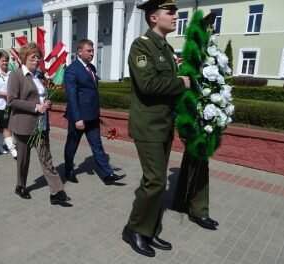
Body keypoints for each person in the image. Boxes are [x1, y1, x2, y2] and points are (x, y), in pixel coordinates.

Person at [122, 0, 191, 257]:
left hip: (164, 125)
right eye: (169, 12)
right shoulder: (141, 45)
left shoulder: (166, 47)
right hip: (148, 126)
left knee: (154, 181)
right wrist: (181, 83)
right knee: (156, 181)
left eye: (175, 12)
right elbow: (148, 85)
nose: (175, 15)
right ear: (153, 17)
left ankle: (148, 230)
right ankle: (134, 230)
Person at [7, 42, 71, 206]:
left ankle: (56, 192)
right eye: (33, 57)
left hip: (41, 124)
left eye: (38, 57)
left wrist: (47, 103)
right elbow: (12, 101)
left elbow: (42, 97)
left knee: (46, 158)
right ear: (24, 58)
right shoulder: (16, 75)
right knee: (23, 159)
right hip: (24, 125)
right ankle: (20, 186)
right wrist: (36, 107)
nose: (37, 60)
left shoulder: (39, 76)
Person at [172, 12, 220, 231]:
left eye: (212, 28)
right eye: (208, 28)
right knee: (200, 165)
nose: (211, 32)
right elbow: (184, 92)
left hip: (206, 120)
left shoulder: (212, 58)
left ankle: (181, 201)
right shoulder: (193, 59)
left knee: (193, 162)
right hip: (195, 121)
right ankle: (199, 211)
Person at [63, 39, 126, 185]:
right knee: (72, 145)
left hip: (92, 116)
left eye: (92, 50)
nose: (92, 53)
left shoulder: (91, 68)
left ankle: (107, 174)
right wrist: (78, 118)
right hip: (78, 118)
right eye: (89, 51)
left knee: (97, 145)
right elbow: (71, 96)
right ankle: (68, 169)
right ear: (79, 51)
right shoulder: (72, 69)